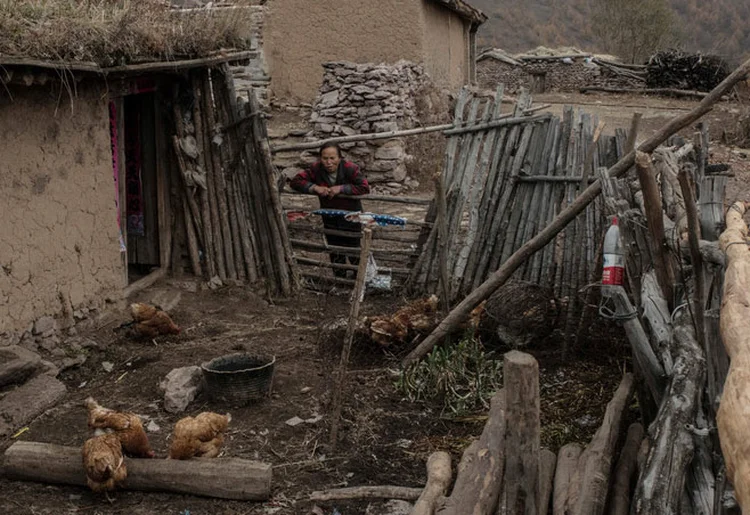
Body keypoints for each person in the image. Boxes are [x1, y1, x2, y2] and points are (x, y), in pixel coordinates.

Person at [290, 143, 370, 278]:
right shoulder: (316, 169)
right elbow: (296, 181)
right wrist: (314, 187)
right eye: (325, 158)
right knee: (334, 247)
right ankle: (340, 279)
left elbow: (364, 187)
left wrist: (342, 189)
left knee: (353, 247)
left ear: (340, 158)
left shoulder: (350, 169)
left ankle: (359, 279)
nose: (328, 162)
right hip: (330, 217)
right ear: (320, 159)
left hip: (351, 216)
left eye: (332, 158)